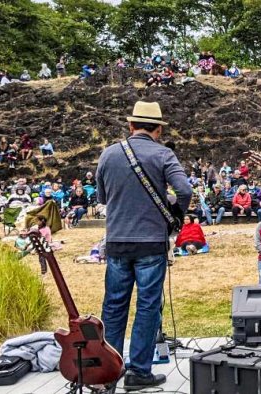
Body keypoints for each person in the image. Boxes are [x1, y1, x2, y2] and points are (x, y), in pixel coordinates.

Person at [95, 101, 191, 390]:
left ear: (131, 125)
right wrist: (175, 215)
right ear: (158, 129)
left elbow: (102, 199)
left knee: (113, 307)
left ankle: (109, 372)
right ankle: (139, 371)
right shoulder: (163, 154)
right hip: (151, 241)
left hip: (118, 241)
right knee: (148, 307)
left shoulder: (109, 154)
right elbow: (184, 190)